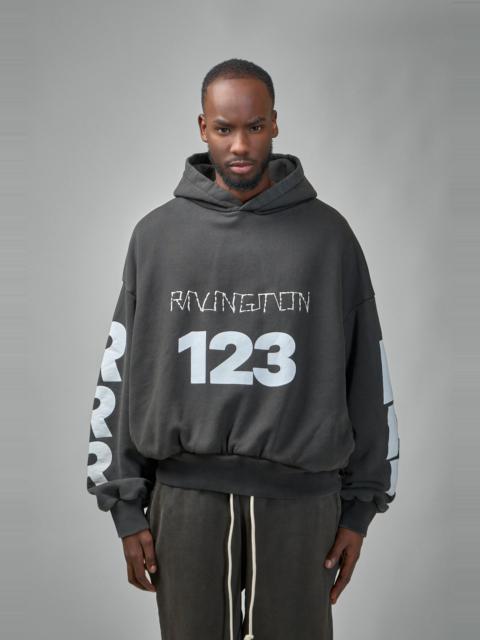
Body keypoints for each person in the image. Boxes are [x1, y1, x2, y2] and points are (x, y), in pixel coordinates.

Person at [86, 58, 400, 640]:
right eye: (224, 128)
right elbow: (124, 374)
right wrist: (126, 507)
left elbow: (366, 374)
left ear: (275, 123)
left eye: (254, 127)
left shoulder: (328, 236)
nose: (239, 145)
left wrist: (360, 509)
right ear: (201, 127)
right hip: (186, 501)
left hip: (302, 505)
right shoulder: (155, 237)